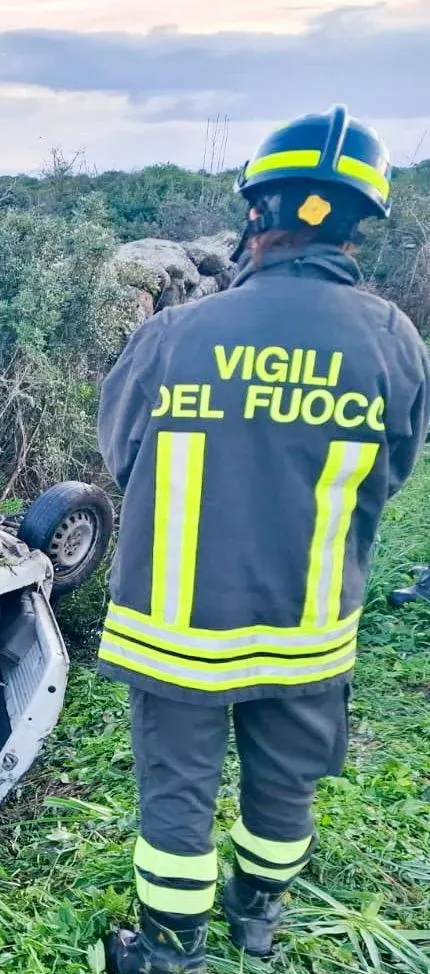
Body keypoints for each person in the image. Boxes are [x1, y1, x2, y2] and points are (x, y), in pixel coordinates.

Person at [96, 105, 430, 972]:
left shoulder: (175, 335)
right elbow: (391, 472)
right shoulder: (394, 342)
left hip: (177, 630)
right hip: (306, 627)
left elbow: (121, 454)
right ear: (361, 226)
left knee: (176, 799)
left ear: (256, 215)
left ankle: (167, 951)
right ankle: (257, 918)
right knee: (285, 786)